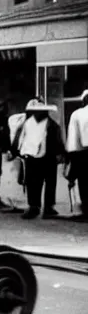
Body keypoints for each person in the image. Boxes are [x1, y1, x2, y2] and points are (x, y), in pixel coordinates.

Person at [10, 99, 64, 219]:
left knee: (50, 183)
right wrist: (16, 151)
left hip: (48, 157)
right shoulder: (27, 123)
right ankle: (33, 206)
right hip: (31, 158)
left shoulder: (51, 124)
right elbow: (20, 139)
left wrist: (59, 153)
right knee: (32, 183)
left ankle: (49, 207)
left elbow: (58, 140)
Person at [65, 89, 88, 220]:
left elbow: (73, 139)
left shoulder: (77, 114)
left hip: (83, 153)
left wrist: (71, 156)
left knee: (84, 183)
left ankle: (86, 211)